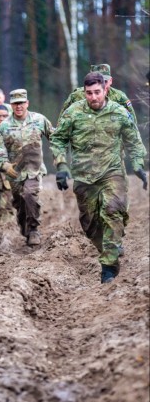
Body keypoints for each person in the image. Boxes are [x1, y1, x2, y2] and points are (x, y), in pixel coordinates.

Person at [51, 72, 147, 284]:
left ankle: (109, 268)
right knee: (91, 225)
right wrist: (61, 165)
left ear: (105, 90)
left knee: (113, 212)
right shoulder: (73, 113)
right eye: (89, 93)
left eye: (97, 92)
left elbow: (134, 141)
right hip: (84, 176)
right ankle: (109, 247)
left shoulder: (119, 112)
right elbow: (58, 139)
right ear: (84, 93)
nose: (93, 97)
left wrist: (139, 165)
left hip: (112, 172)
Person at [0, 89, 54, 246]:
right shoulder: (4, 126)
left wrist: (58, 157)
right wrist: (5, 165)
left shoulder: (39, 120)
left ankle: (34, 229)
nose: (18, 106)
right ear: (11, 105)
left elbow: (55, 137)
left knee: (29, 195)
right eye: (15, 103)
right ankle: (25, 227)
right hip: (15, 173)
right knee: (19, 204)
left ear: (27, 103)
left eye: (21, 103)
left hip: (34, 169)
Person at [57, 63, 137, 126]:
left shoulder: (120, 97)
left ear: (110, 81)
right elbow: (62, 121)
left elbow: (132, 123)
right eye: (97, 82)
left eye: (104, 81)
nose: (101, 85)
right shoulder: (77, 96)